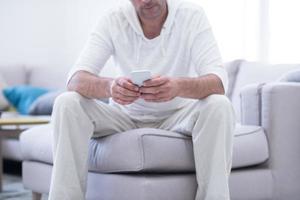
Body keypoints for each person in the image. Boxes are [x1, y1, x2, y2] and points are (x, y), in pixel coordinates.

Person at [48, 0, 235, 199]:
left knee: (219, 104)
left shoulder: (192, 15)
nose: (147, 0)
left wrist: (178, 86)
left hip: (177, 116)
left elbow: (219, 82)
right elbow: (75, 79)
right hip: (124, 117)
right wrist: (111, 87)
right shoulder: (113, 18)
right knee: (66, 103)